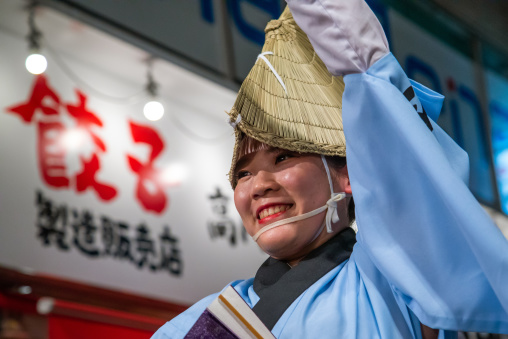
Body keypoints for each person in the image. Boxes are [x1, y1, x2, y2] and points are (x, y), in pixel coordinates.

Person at [152, 1, 508, 338]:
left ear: (349, 175)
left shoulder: (396, 282)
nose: (258, 185)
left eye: (282, 159)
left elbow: (396, 146)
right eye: (243, 174)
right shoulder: (190, 325)